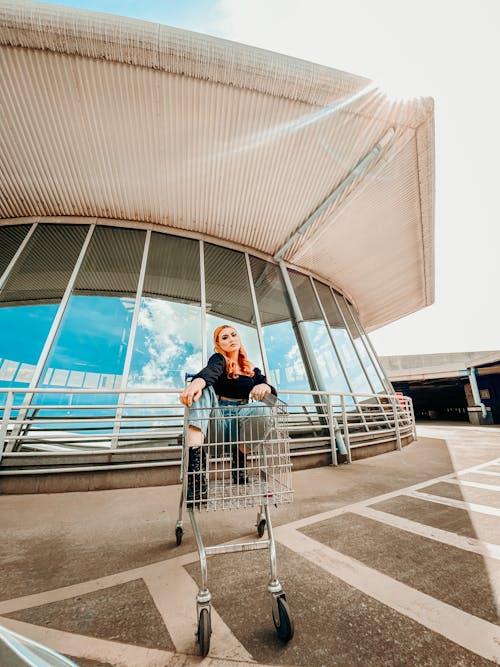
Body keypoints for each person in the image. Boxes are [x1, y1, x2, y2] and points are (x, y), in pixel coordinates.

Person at [179, 324, 277, 504]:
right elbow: (210, 372)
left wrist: (265, 386)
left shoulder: (251, 369)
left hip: (241, 422)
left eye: (233, 335)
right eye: (225, 337)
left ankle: (239, 460)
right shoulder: (219, 360)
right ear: (218, 344)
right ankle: (196, 472)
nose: (231, 339)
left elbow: (273, 398)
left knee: (263, 407)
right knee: (203, 390)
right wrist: (197, 383)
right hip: (218, 421)